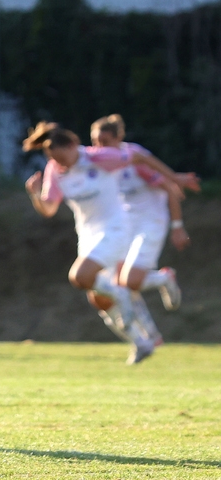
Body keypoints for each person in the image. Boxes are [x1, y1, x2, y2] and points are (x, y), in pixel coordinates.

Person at [23, 122, 197, 364]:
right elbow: (49, 208)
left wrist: (173, 176)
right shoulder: (54, 169)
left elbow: (138, 156)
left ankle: (126, 296)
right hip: (88, 235)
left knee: (80, 277)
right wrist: (35, 193)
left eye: (63, 157)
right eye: (54, 159)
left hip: (116, 229)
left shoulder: (99, 157)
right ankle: (141, 342)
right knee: (98, 298)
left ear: (74, 146)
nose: (60, 163)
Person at [91, 114, 197, 343]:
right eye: (96, 141)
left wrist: (177, 227)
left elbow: (169, 188)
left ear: (119, 138)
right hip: (125, 225)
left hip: (151, 222)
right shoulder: (102, 164)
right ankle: (151, 335)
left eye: (105, 141)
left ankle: (164, 278)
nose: (100, 147)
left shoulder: (134, 160)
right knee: (114, 285)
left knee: (130, 281)